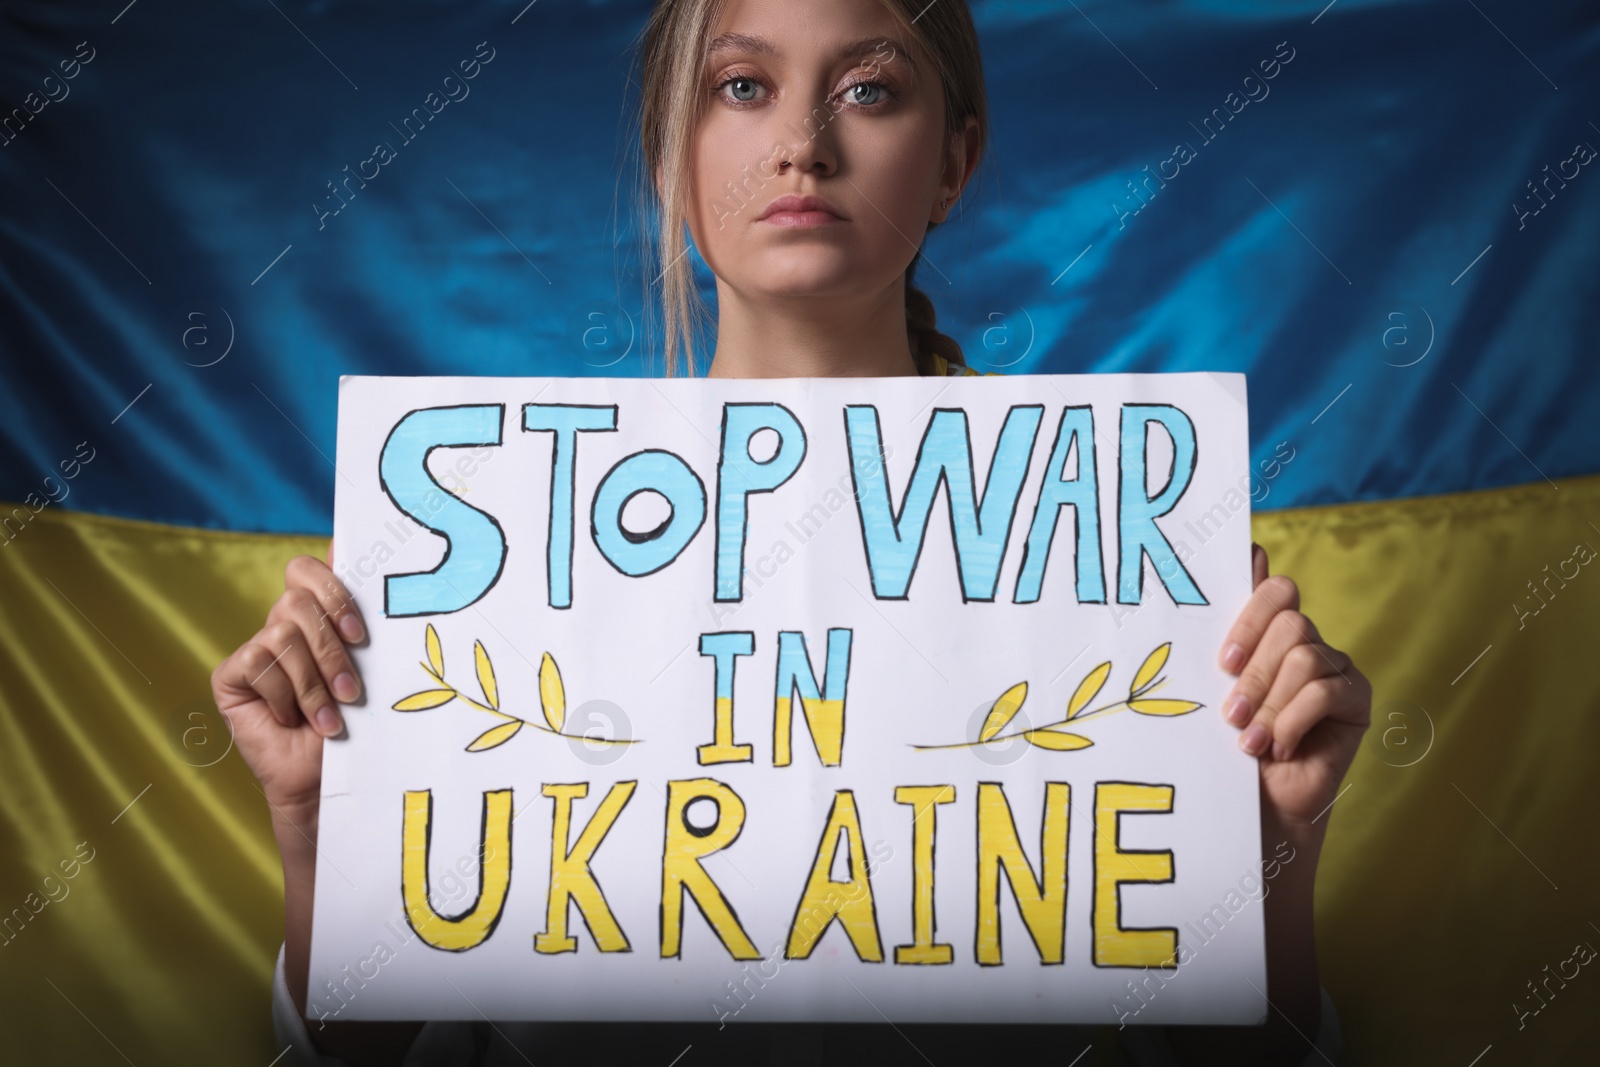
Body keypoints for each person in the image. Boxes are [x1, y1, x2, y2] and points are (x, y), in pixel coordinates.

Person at [212, 0, 1371, 1062]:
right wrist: (326, 834)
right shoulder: (499, 541)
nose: (802, 144)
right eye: (741, 86)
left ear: (953, 163)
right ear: (673, 157)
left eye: (868, 89)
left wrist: (1266, 856)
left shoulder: (1114, 554)